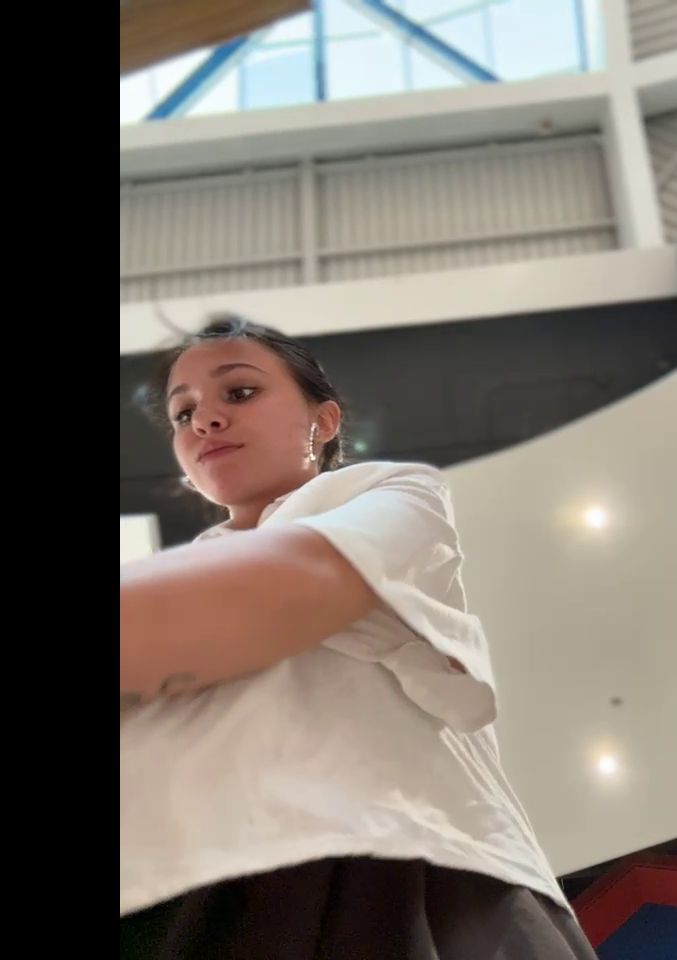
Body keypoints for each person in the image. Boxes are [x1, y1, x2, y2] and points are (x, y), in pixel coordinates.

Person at [120, 315, 597, 959]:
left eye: (240, 392)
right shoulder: (171, 571)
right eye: (183, 414)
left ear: (322, 422)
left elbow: (286, 588)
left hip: (410, 857)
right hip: (187, 884)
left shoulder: (385, 493)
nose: (203, 421)